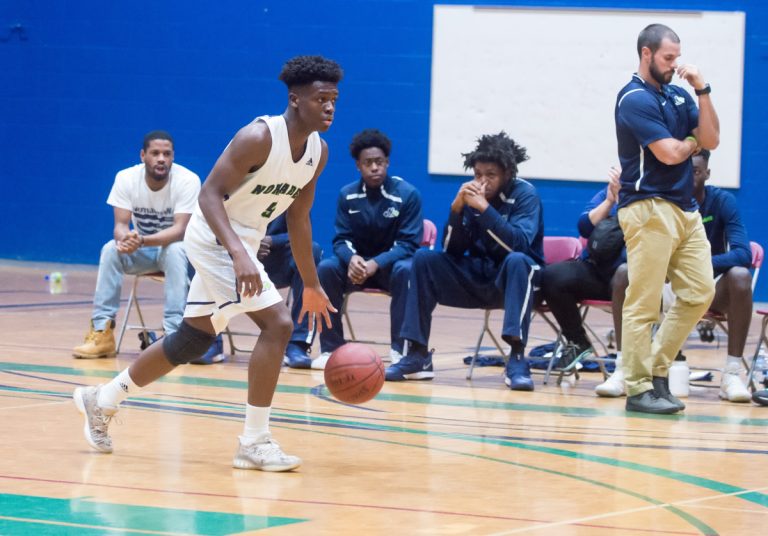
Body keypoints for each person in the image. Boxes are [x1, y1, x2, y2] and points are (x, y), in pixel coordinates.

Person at [72, 55, 343, 472]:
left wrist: (310, 283)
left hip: (244, 240)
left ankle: (102, 399)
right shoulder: (257, 137)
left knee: (191, 341)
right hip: (214, 236)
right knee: (279, 326)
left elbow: (299, 218)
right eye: (321, 98)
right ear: (294, 99)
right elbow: (209, 195)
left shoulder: (317, 153)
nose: (329, 107)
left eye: (334, 99)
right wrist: (237, 253)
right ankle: (254, 441)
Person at [385, 132, 544, 390]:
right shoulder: (470, 197)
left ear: (507, 173)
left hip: (516, 282)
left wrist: (485, 210)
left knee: (517, 261)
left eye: (490, 175)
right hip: (479, 276)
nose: (483, 181)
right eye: (478, 174)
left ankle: (516, 357)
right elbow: (451, 249)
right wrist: (456, 210)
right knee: (424, 259)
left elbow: (519, 244)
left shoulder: (526, 195)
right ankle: (417, 354)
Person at [615, 24, 719, 414]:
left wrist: (702, 91)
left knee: (699, 292)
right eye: (668, 58)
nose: (676, 65)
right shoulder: (633, 99)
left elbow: (712, 139)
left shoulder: (678, 94)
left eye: (678, 57)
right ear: (646, 54)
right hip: (647, 207)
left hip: (684, 210)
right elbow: (672, 154)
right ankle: (638, 387)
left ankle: (658, 370)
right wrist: (694, 143)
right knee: (644, 302)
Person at [284, 129, 423, 369]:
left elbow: (408, 244)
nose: (374, 168)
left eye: (379, 162)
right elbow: (341, 240)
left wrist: (375, 263)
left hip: (388, 268)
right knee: (326, 268)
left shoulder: (407, 195)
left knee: (407, 270)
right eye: (368, 163)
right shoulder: (347, 195)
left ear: (387, 162)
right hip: (356, 268)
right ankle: (331, 348)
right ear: (358, 165)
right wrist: (352, 260)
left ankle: (400, 350)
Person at [72, 131, 200, 359]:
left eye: (167, 154)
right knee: (110, 249)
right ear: (143, 155)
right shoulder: (126, 178)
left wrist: (141, 240)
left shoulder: (188, 180)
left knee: (175, 249)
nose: (161, 158)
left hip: (178, 255)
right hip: (142, 250)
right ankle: (102, 332)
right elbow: (120, 225)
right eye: (155, 153)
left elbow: (180, 230)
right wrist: (125, 240)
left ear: (173, 157)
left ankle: (174, 335)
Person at [540, 166, 628, 377]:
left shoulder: (654, 200)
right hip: (597, 272)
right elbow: (584, 227)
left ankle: (627, 360)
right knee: (552, 276)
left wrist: (627, 204)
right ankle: (577, 340)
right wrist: (609, 201)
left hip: (629, 278)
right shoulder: (608, 193)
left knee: (624, 274)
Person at [257, 213, 323, 368]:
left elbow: (302, 229)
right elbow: (220, 225)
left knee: (311, 250)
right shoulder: (236, 189)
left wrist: (272, 240)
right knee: (203, 249)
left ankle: (298, 345)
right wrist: (248, 243)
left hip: (275, 258)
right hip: (238, 254)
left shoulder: (292, 190)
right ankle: (210, 340)